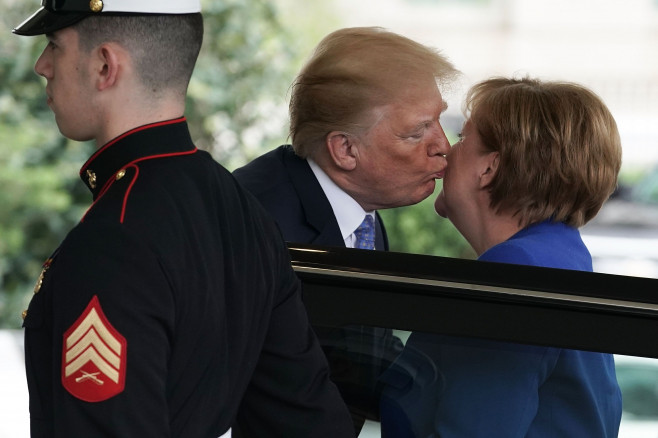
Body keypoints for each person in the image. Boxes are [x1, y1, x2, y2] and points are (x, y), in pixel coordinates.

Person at [13, 2, 355, 437]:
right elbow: (307, 420)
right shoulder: (239, 206)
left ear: (104, 66)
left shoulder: (113, 240)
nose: (43, 66)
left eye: (54, 46)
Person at [232, 26, 460, 433]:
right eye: (416, 131)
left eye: (439, 120)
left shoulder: (357, 207)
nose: (444, 145)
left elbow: (361, 355)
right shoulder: (258, 224)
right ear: (345, 149)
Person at [380, 77, 623, 437]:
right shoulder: (558, 255)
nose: (447, 150)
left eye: (463, 138)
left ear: (489, 168)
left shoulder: (516, 271)